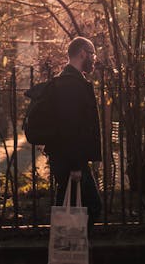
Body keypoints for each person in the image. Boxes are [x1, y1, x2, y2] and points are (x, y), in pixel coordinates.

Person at [45, 36, 102, 233]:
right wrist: (77, 166)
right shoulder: (72, 85)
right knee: (93, 206)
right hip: (70, 160)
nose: (94, 59)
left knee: (66, 207)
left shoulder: (66, 81)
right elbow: (72, 128)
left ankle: (69, 249)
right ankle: (72, 248)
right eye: (92, 54)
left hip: (64, 158)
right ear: (82, 53)